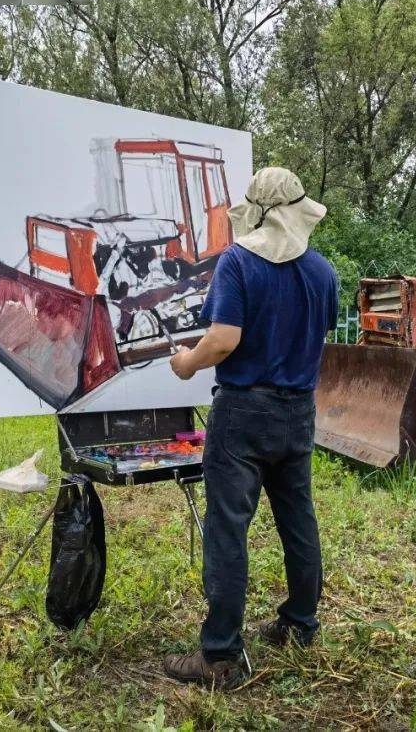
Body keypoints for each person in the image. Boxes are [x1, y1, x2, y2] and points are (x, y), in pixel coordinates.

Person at [163, 166, 338, 689]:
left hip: (243, 413)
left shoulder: (239, 262)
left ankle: (219, 657)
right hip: (298, 412)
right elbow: (314, 334)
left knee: (228, 530)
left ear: (257, 212)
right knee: (298, 521)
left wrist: (186, 363)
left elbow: (222, 340)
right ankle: (300, 624)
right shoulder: (322, 271)